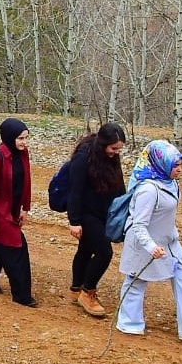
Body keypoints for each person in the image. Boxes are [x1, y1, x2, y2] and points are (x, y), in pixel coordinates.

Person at [115, 140, 182, 340]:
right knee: (136, 280)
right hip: (144, 244)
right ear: (161, 165)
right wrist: (151, 247)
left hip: (170, 243)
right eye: (174, 165)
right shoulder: (148, 190)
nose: (179, 169)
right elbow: (138, 225)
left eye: (180, 165)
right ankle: (129, 323)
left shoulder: (171, 183)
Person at [66, 122, 127, 317]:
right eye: (113, 148)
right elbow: (74, 192)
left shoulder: (111, 157)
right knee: (104, 252)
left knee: (85, 249)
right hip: (86, 213)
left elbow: (118, 182)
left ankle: (76, 289)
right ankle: (88, 292)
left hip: (104, 213)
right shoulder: (83, 158)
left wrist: (124, 206)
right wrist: (74, 221)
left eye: (119, 149)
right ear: (103, 144)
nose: (116, 152)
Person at [0, 118, 36, 307]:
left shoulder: (23, 153)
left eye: (26, 138)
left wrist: (25, 208)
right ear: (10, 137)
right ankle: (22, 295)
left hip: (13, 208)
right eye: (20, 138)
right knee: (17, 249)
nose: (24, 142)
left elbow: (26, 180)